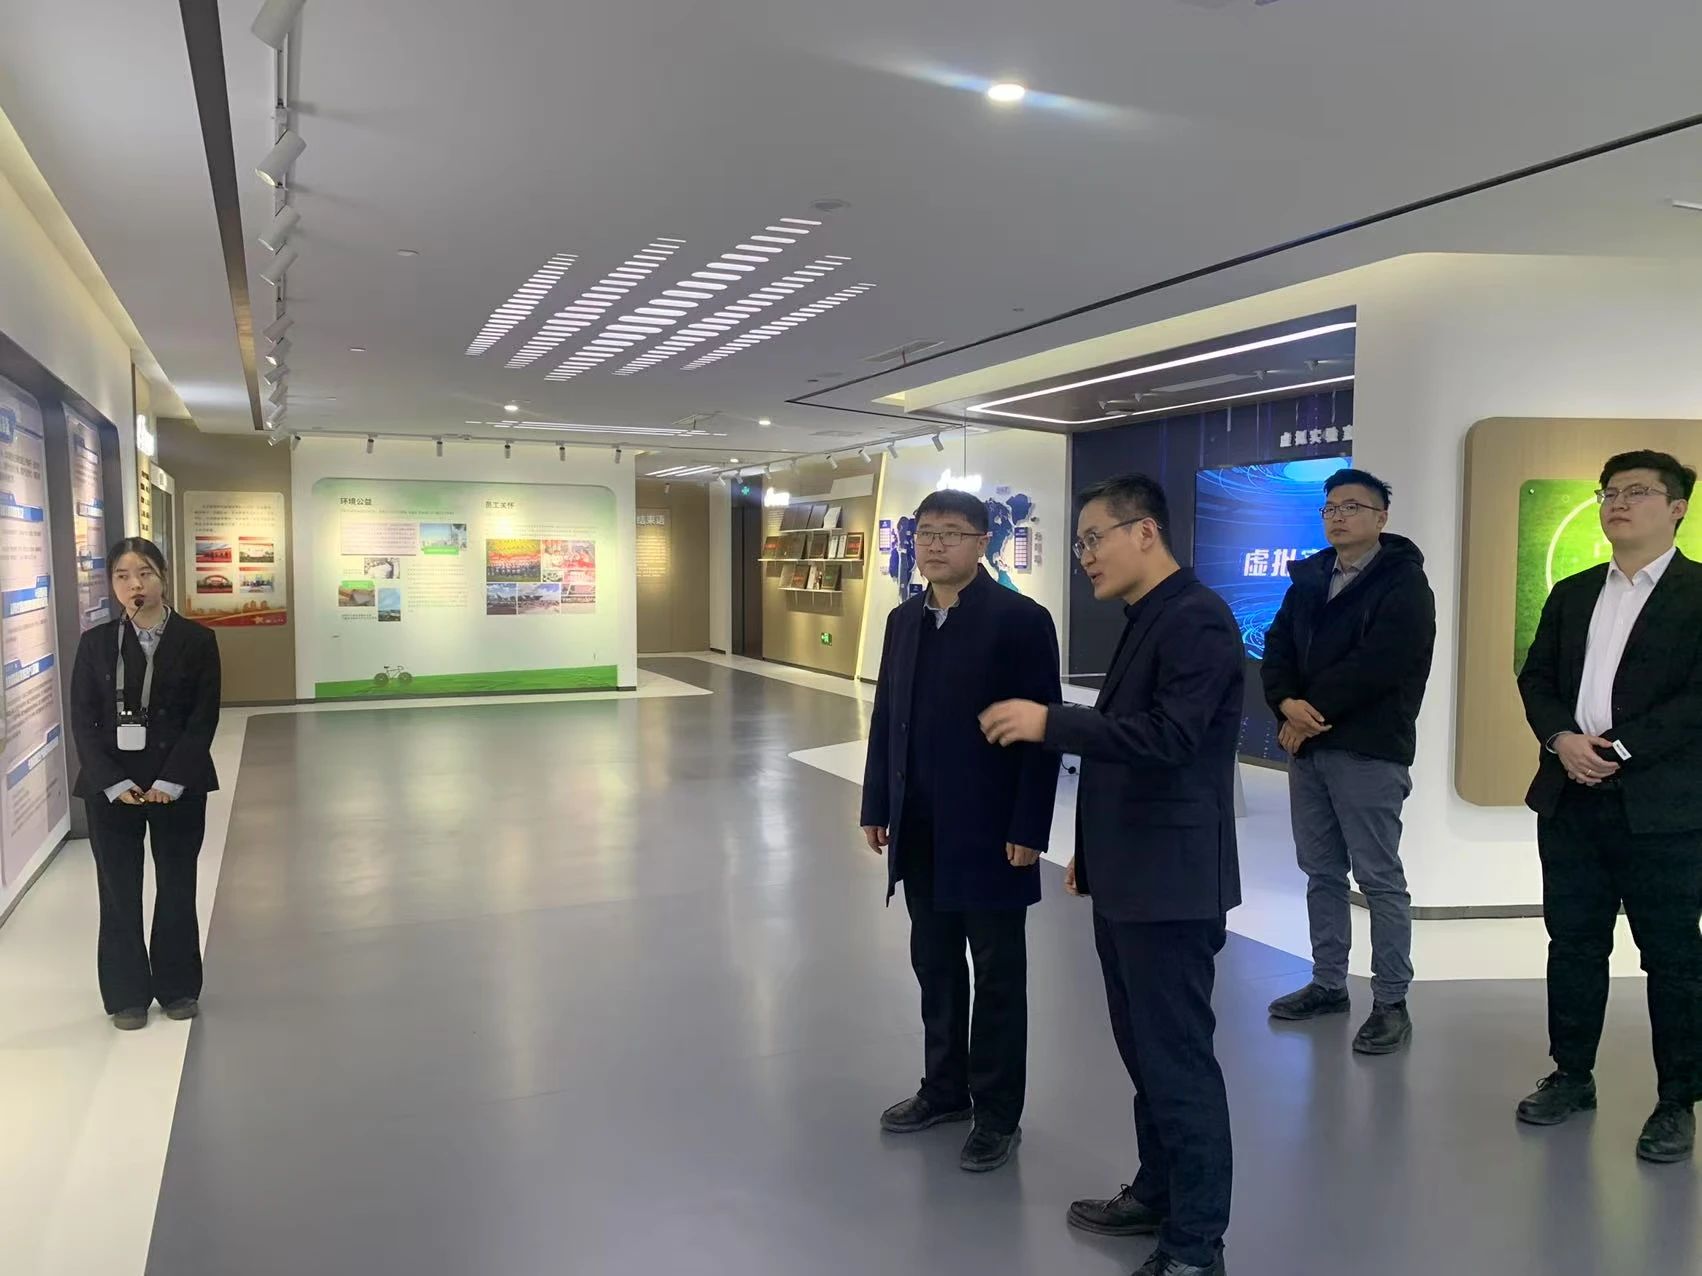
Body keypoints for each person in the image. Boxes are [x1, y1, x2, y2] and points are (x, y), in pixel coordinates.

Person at [981, 474, 1241, 1276]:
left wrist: (1050, 722)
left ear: (1146, 533)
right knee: (1144, 1054)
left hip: (1172, 887)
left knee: (1177, 1061)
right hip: (1133, 877)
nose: (1085, 556)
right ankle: (1157, 1193)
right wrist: (1090, 858)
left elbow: (1168, 738)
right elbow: (1129, 746)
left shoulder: (1196, 618)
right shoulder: (1147, 617)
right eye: (1080, 544)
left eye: (1095, 538)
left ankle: (1195, 1245)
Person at [861, 489, 1062, 1173]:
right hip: (919, 827)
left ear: (983, 542)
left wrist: (1030, 824)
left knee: (998, 974)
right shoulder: (903, 620)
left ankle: (998, 1113)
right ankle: (944, 1088)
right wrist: (877, 802)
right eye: (925, 533)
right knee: (936, 964)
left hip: (991, 830)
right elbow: (888, 717)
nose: (935, 544)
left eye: (951, 533)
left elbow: (1042, 731)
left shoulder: (1020, 621)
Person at [1514, 449, 1701, 1164]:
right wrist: (1562, 738)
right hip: (1571, 798)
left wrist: (1616, 749)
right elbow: (1536, 678)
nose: (1618, 503)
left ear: (1677, 507)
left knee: (1674, 959)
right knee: (1574, 944)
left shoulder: (1698, 592)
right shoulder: (1573, 592)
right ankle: (1571, 1075)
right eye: (1609, 492)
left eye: (1638, 492)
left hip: (1664, 810)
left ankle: (1677, 1099)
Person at [1260, 468, 1437, 1054]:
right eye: (1331, 507)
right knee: (1321, 872)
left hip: (1369, 749)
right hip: (1309, 748)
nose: (1338, 516)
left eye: (1353, 507)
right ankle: (1328, 983)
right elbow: (1277, 649)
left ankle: (1391, 1001)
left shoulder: (1405, 583)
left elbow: (1382, 663)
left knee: (1380, 880)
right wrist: (1285, 702)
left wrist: (1308, 710)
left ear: (1381, 518)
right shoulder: (1309, 578)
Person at [70, 537, 222, 1031]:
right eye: (122, 575)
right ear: (112, 584)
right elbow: (83, 722)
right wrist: (112, 782)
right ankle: (127, 995)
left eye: (145, 573)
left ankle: (178, 987)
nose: (135, 584)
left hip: (177, 785)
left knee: (177, 884)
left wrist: (171, 780)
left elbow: (202, 719)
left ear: (163, 577)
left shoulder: (197, 640)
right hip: (112, 789)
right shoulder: (95, 643)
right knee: (118, 889)